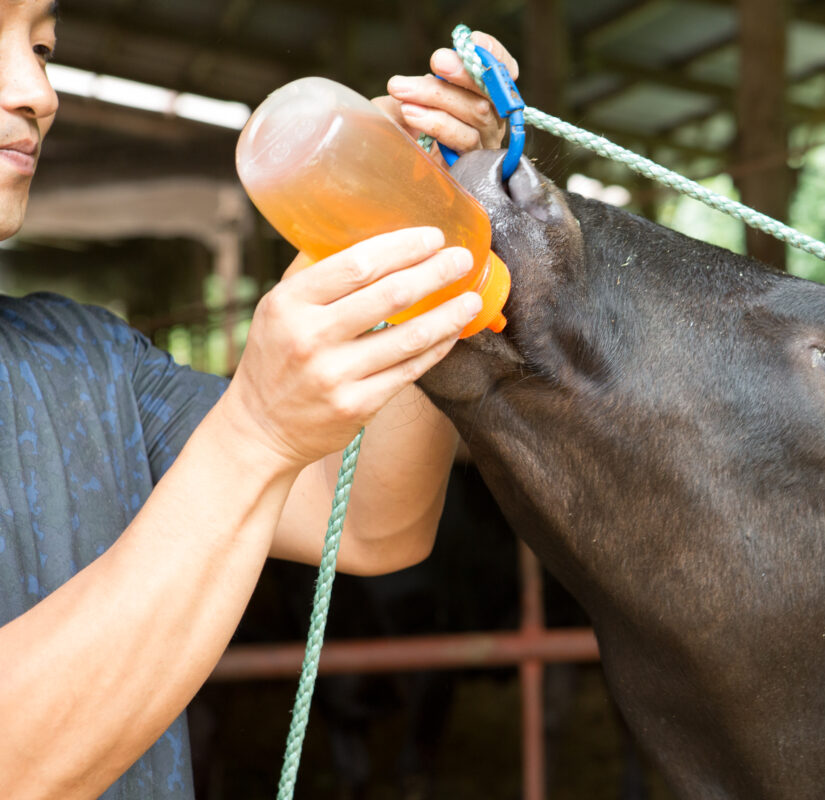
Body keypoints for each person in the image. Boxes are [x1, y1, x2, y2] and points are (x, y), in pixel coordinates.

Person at [0, 3, 519, 797]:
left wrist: (406, 215)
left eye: (41, 46)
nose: (38, 88)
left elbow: (375, 527)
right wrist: (254, 434)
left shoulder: (85, 359)